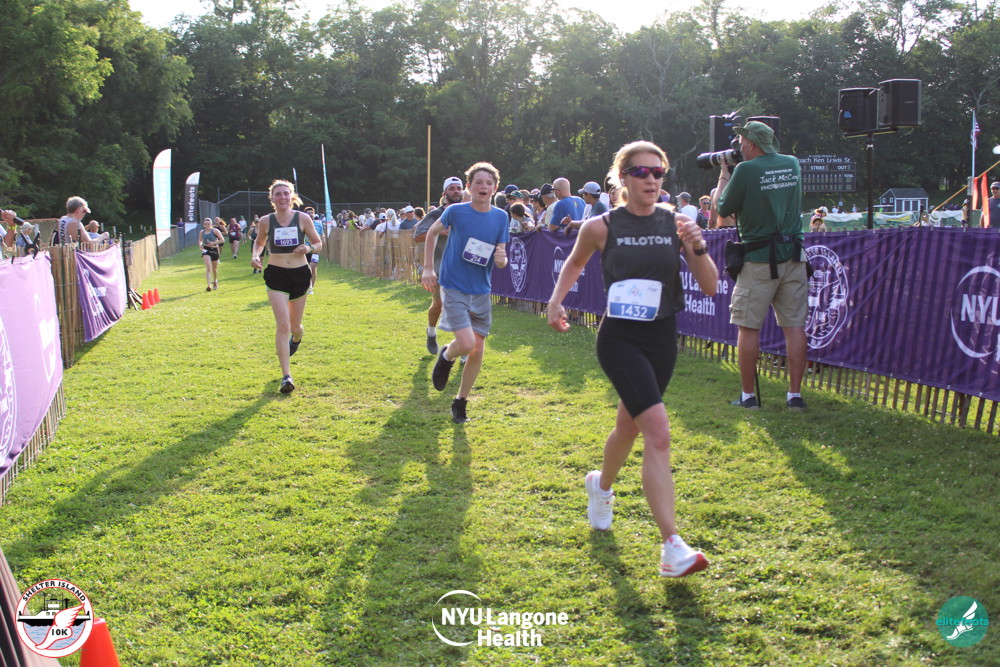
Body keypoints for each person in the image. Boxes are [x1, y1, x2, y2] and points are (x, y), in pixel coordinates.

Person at [548, 140, 718, 578]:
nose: (651, 179)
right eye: (642, 171)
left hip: (662, 337)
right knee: (658, 432)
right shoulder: (600, 226)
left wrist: (698, 246)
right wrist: (556, 301)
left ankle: (600, 485)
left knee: (629, 425)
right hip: (620, 338)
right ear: (622, 177)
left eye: (658, 172)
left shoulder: (677, 223)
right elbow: (574, 263)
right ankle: (672, 546)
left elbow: (711, 286)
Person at [714, 120, 807, 411]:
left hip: (758, 259)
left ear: (752, 144)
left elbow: (722, 209)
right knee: (794, 327)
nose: (739, 146)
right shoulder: (792, 164)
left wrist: (724, 174)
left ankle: (748, 396)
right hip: (793, 256)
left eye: (742, 141)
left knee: (748, 327)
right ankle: (794, 396)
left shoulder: (745, 169)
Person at [421, 162, 508, 423]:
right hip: (454, 285)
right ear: (469, 187)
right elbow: (431, 233)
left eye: (489, 183)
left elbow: (501, 258)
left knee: (477, 350)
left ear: (495, 188)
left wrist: (502, 259)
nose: (484, 187)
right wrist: (428, 268)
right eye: (478, 182)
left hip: (481, 289)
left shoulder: (501, 217)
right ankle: (447, 355)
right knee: (467, 343)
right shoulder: (456, 211)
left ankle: (461, 402)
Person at [250, 180, 324, 393]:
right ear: (272, 198)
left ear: (291, 196)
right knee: (282, 325)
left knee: (294, 326)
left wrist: (308, 248)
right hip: (276, 275)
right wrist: (255, 255)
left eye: (286, 193)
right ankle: (286, 376)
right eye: (278, 194)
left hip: (300, 274)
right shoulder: (266, 221)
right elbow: (259, 242)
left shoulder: (303, 218)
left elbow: (318, 243)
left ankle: (297, 337)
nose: (282, 197)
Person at [414, 176, 466, 355]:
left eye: (458, 188)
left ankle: (464, 350)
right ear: (445, 193)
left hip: (464, 268)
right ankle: (431, 332)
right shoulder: (436, 214)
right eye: (452, 189)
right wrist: (441, 231)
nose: (456, 192)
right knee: (438, 305)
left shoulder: (468, 212)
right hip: (440, 267)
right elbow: (417, 236)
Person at [199, 218, 225, 291]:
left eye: (208, 224)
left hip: (214, 249)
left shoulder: (215, 231)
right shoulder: (202, 232)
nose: (207, 225)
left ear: (211, 224)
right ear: (203, 225)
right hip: (206, 250)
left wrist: (213, 243)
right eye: (205, 224)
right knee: (208, 267)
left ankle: (215, 281)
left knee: (214, 269)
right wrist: (200, 245)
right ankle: (208, 286)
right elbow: (200, 240)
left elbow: (222, 240)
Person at [307, 211, 325, 294]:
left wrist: (323, 239)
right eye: (308, 213)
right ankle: (305, 286)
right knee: (305, 269)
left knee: (313, 267)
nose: (310, 214)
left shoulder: (318, 224)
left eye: (311, 213)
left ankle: (311, 288)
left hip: (315, 249)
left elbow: (322, 234)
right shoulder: (302, 223)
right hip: (305, 249)